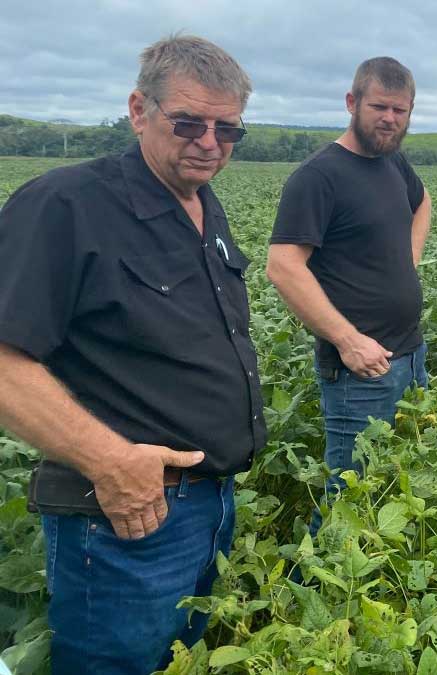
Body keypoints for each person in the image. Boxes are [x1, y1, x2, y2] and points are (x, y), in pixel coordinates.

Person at [0, 35, 263, 674]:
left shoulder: (202, 205)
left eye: (228, 129)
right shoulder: (66, 205)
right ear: (139, 111)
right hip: (124, 519)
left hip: (208, 508)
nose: (210, 143)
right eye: (189, 123)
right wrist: (111, 462)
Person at [267, 57, 431, 529]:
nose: (390, 119)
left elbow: (423, 203)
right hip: (360, 371)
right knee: (349, 495)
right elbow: (283, 266)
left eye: (400, 110)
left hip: (411, 355)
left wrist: (408, 259)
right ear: (352, 102)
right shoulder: (319, 176)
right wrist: (347, 340)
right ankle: (319, 571)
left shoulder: (392, 163)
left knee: (396, 482)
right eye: (379, 107)